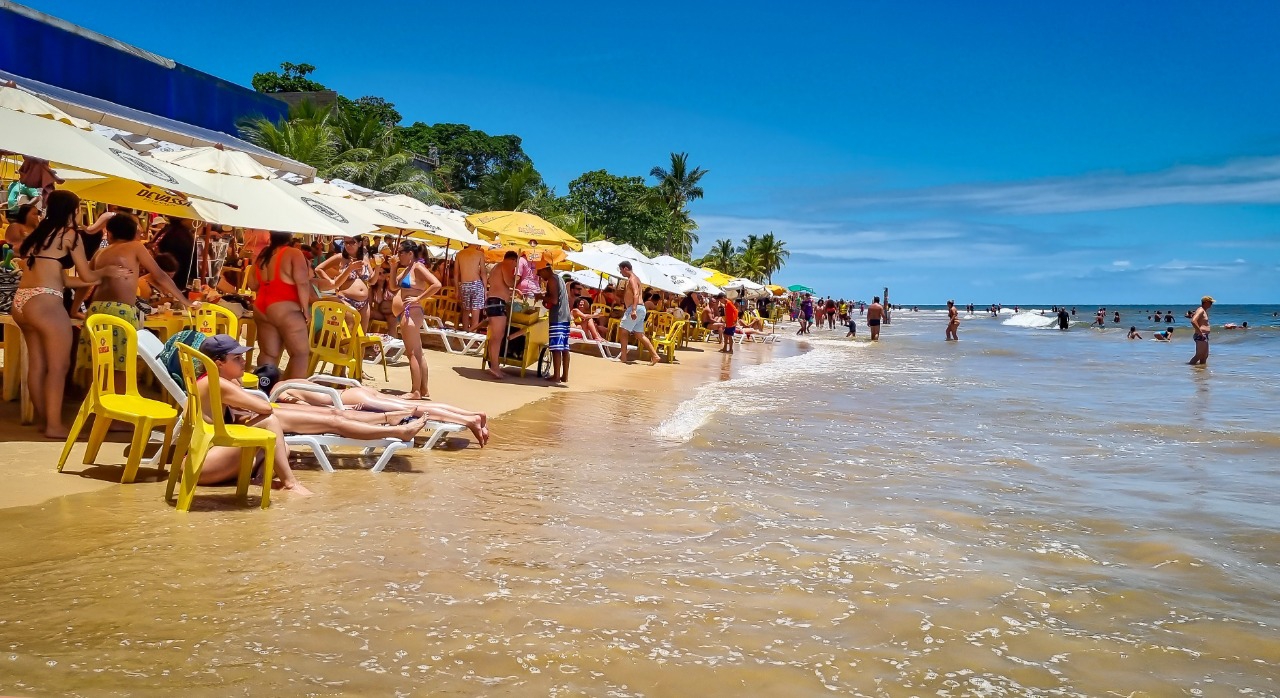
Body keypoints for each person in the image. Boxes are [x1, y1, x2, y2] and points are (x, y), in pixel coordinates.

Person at [195, 335, 422, 496]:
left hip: (211, 458)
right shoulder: (217, 384)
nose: (244, 362)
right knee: (272, 422)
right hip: (205, 466)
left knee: (284, 445)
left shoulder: (216, 380)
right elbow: (264, 409)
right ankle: (289, 484)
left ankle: (389, 423)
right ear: (219, 363)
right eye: (237, 359)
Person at [13, 191, 126, 439]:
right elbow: (87, 276)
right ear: (74, 210)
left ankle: (45, 420)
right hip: (46, 301)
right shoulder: (70, 235)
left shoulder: (38, 235)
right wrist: (106, 271)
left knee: (38, 364)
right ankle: (54, 425)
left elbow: (63, 278)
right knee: (58, 366)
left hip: (22, 301)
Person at [79, 213, 196, 388]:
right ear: (134, 233)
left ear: (109, 234)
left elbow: (84, 283)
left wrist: (75, 309)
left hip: (96, 310)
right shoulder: (135, 247)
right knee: (121, 364)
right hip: (121, 311)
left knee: (96, 360)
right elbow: (161, 275)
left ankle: (94, 404)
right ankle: (118, 409)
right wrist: (185, 301)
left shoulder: (100, 253)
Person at [255, 367, 489, 447]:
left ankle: (470, 421)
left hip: (352, 401)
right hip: (354, 392)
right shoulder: (293, 380)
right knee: (414, 405)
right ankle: (470, 415)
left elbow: (304, 408)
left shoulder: (280, 392)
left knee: (415, 410)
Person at [250, 231, 312, 379]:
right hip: (284, 306)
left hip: (262, 305)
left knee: (268, 353)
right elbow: (302, 282)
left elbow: (253, 284)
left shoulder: (263, 254)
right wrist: (305, 309)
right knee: (301, 354)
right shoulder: (293, 253)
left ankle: (264, 389)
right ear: (289, 236)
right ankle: (292, 392)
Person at [389, 241, 441, 398]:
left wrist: (418, 298)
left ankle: (415, 391)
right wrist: (392, 267)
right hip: (409, 311)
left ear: (410, 253)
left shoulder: (417, 267)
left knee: (412, 353)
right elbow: (393, 287)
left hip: (411, 310)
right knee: (418, 352)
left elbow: (436, 284)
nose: (398, 255)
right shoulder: (407, 269)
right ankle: (423, 389)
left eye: (400, 253)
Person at [315, 236, 378, 330]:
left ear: (360, 244)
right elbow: (318, 269)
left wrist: (378, 266)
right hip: (346, 300)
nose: (348, 245)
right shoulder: (340, 257)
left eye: (352, 242)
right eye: (346, 242)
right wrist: (332, 283)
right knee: (350, 331)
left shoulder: (365, 259)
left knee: (362, 335)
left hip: (364, 303)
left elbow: (372, 281)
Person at [616, 261, 660, 365]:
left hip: (635, 307)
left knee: (623, 331)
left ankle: (623, 357)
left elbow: (635, 294)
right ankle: (655, 355)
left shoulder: (632, 279)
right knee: (639, 334)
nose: (620, 272)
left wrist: (633, 309)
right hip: (640, 308)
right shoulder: (636, 278)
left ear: (625, 268)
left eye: (621, 270)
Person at [484, 251, 519, 380]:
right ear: (512, 260)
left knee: (496, 336)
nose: (515, 267)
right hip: (496, 303)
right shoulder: (504, 266)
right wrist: (517, 279)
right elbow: (509, 282)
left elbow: (502, 284)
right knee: (497, 337)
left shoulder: (498, 267)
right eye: (516, 263)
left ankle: (495, 366)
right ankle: (494, 367)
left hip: (495, 302)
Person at [537, 265, 571, 383]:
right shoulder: (559, 278)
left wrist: (541, 297)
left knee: (556, 348)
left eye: (539, 272)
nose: (539, 276)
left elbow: (554, 300)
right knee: (565, 348)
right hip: (565, 316)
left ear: (545, 269)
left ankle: (556, 376)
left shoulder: (552, 280)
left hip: (558, 317)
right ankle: (564, 376)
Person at [153, 218, 197, 290]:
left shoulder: (165, 230)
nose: (194, 220)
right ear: (183, 219)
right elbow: (192, 263)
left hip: (159, 280)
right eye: (191, 218)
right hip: (177, 282)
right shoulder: (184, 236)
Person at [453, 243, 486, 332]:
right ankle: (472, 333)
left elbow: (456, 273)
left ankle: (464, 331)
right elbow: (483, 273)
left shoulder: (460, 254)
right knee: (476, 310)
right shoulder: (479, 254)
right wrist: (485, 289)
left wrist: (456, 289)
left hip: (464, 284)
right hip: (477, 284)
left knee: (465, 310)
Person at [1188, 296, 1213, 366]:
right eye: (1210, 302)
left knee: (1204, 356)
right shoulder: (1201, 310)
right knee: (1199, 355)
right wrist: (1200, 332)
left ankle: (1202, 371)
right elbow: (1193, 321)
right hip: (1201, 335)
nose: (1211, 304)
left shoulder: (1204, 311)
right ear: (1206, 302)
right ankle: (1190, 368)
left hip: (1204, 335)